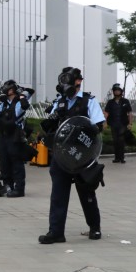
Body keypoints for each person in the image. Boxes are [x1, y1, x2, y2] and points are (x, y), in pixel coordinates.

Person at [40, 67, 105, 244]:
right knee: (58, 195)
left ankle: (95, 227)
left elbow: (99, 127)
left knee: (87, 194)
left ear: (79, 82)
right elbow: (53, 127)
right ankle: (56, 232)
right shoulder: (59, 102)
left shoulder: (88, 101)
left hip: (83, 157)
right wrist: (49, 126)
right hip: (62, 157)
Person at [0, 80, 30, 197]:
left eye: (7, 88)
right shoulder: (3, 104)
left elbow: (24, 106)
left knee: (16, 162)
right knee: (4, 162)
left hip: (15, 136)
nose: (5, 89)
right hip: (4, 135)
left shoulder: (19, 102)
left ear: (13, 90)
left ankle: (19, 189)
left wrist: (22, 96)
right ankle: (8, 186)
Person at [103, 83, 133, 163]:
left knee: (121, 140)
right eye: (115, 91)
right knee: (115, 141)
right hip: (113, 124)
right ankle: (117, 158)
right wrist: (105, 122)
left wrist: (130, 123)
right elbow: (106, 113)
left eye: (118, 90)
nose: (117, 92)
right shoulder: (110, 102)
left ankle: (122, 158)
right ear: (113, 92)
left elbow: (129, 113)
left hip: (123, 124)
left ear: (121, 92)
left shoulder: (125, 101)